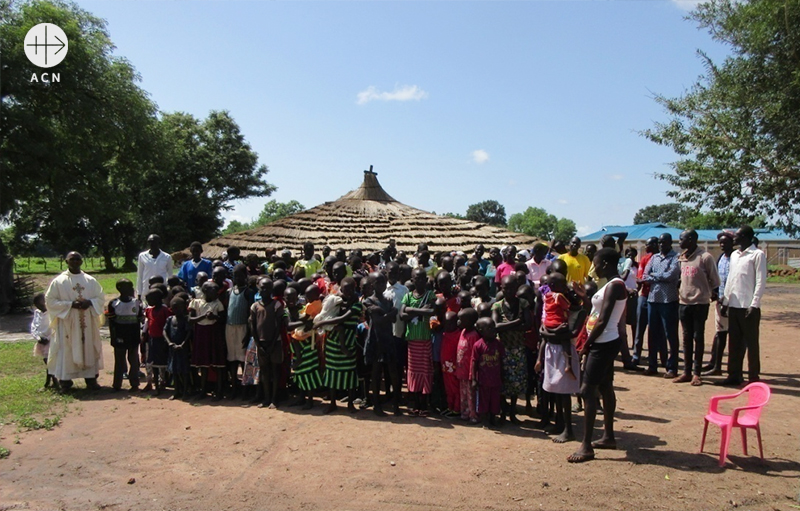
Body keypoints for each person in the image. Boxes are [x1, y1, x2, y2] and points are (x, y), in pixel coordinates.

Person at [568, 248, 627, 463]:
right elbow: (596, 312)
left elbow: (602, 320)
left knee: (587, 390)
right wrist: (584, 296)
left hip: (603, 343)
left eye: (595, 263)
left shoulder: (615, 286)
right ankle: (609, 436)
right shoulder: (609, 286)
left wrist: (587, 345)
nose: (593, 268)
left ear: (604, 264)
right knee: (605, 387)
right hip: (604, 342)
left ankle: (586, 446)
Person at [45, 252, 104, 391]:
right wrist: (70, 305)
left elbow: (100, 298)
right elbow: (50, 301)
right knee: (67, 348)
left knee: (88, 346)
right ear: (66, 261)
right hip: (67, 323)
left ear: (82, 261)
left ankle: (91, 379)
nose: (75, 261)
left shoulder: (90, 280)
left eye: (78, 259)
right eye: (72, 259)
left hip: (87, 321)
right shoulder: (59, 281)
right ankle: (65, 381)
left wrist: (89, 302)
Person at [719, 225, 767, 386]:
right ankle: (734, 374)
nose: (734, 238)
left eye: (737, 236)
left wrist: (754, 304)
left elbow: (760, 281)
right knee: (734, 342)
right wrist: (725, 302)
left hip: (748, 306)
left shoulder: (757, 255)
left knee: (751, 343)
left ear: (745, 237)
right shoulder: (734, 255)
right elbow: (731, 279)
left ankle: (753, 377)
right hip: (734, 304)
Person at [675, 229, 720, 386]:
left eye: (683, 239)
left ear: (692, 239)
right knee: (686, 338)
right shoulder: (682, 258)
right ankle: (686, 372)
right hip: (684, 303)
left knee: (697, 337)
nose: (680, 242)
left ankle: (696, 373)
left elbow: (715, 280)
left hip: (699, 303)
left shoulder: (705, 257)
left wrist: (708, 293)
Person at [315, 277, 362, 414]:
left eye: (351, 289)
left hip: (348, 342)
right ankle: (333, 403)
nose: (348, 292)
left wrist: (321, 323)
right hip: (333, 343)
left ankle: (350, 404)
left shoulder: (357, 305)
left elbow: (342, 319)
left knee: (350, 374)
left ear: (355, 288)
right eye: (345, 289)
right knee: (332, 373)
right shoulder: (338, 301)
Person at [492, 274, 531, 424]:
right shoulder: (497, 305)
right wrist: (517, 322)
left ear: (516, 288)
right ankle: (503, 412)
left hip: (517, 349)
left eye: (511, 288)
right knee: (501, 381)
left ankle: (513, 412)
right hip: (502, 349)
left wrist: (506, 325)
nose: (508, 291)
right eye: (505, 288)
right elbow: (496, 326)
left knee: (516, 383)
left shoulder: (523, 303)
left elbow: (528, 325)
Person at [362, 272, 402, 416]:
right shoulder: (368, 301)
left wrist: (386, 314)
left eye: (383, 282)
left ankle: (396, 404)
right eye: (378, 283)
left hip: (387, 338)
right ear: (372, 285)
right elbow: (379, 320)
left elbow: (389, 320)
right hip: (376, 339)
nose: (382, 285)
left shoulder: (387, 300)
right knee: (376, 373)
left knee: (393, 372)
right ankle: (377, 405)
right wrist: (390, 314)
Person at [642, 233, 680, 378]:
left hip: (668, 301)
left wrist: (654, 276)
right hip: (653, 300)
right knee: (652, 334)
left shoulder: (675, 258)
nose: (661, 245)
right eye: (660, 242)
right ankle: (652, 366)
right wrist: (658, 276)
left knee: (671, 335)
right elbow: (645, 276)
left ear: (670, 243)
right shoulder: (654, 257)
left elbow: (671, 275)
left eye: (664, 242)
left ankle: (672, 367)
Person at [400, 268, 437, 416]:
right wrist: (420, 310)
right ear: (412, 280)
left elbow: (432, 312)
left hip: (425, 339)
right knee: (413, 372)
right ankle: (414, 402)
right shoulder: (408, 296)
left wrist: (412, 311)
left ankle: (423, 403)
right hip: (412, 341)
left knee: (425, 371)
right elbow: (402, 315)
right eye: (417, 278)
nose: (420, 281)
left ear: (426, 280)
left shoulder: (430, 295)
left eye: (422, 278)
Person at [250, 277, 287, 408]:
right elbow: (253, 326)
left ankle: (274, 399)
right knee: (264, 372)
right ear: (258, 289)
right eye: (262, 288)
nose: (264, 290)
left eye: (267, 288)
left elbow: (278, 326)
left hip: (274, 343)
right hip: (261, 343)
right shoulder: (255, 306)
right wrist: (258, 345)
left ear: (271, 290)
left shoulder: (277, 305)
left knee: (275, 370)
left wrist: (272, 344)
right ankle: (266, 398)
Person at [704, 231, 735, 375]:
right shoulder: (721, 258)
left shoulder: (736, 258)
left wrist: (726, 300)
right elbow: (716, 278)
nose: (722, 245)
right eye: (720, 243)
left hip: (733, 302)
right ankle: (714, 363)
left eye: (725, 242)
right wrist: (715, 292)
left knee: (729, 334)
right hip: (720, 301)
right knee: (719, 332)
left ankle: (723, 367)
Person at [189, 281, 226, 400]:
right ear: (205, 292)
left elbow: (223, 319)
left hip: (214, 333)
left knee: (217, 363)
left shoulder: (218, 303)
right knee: (203, 364)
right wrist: (203, 317)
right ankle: (203, 390)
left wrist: (214, 317)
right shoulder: (196, 302)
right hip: (201, 333)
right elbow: (190, 319)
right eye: (213, 291)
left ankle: (219, 391)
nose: (216, 294)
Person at [288, 284, 323, 410]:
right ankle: (302, 398)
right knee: (301, 373)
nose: (290, 300)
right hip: (302, 340)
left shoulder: (306, 307)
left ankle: (309, 400)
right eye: (287, 297)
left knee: (309, 373)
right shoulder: (287, 311)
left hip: (308, 343)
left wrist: (303, 321)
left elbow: (309, 320)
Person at [105, 279, 142, 392]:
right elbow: (111, 323)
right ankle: (117, 385)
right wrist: (114, 338)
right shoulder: (114, 303)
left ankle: (134, 384)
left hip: (133, 336)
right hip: (119, 336)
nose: (132, 289)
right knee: (119, 360)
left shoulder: (137, 303)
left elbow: (139, 319)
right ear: (120, 289)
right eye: (129, 287)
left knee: (134, 360)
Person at [226, 264, 256, 399]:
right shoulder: (230, 292)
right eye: (235, 275)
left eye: (240, 275)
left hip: (243, 328)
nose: (237, 278)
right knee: (232, 359)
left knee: (243, 360)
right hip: (230, 328)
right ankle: (234, 386)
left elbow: (250, 315)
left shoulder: (249, 293)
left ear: (245, 276)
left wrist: (248, 333)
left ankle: (245, 389)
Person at [540, 273, 577, 380]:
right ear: (553, 285)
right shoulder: (559, 296)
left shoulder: (546, 296)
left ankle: (539, 359)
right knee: (565, 341)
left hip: (547, 323)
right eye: (563, 285)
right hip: (558, 323)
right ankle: (568, 365)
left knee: (545, 340)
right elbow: (567, 306)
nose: (565, 287)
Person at [471, 317, 505, 428]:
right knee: (483, 401)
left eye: (493, 327)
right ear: (481, 330)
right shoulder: (478, 345)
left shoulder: (498, 344)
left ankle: (493, 418)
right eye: (489, 328)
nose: (493, 330)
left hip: (495, 379)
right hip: (483, 380)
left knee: (495, 400)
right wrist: (474, 379)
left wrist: (502, 376)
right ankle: (485, 420)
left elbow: (501, 361)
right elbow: (474, 362)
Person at [632, 237, 659, 366]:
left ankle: (658, 357)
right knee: (639, 327)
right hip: (644, 295)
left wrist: (650, 279)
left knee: (656, 330)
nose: (646, 247)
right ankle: (636, 355)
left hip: (658, 297)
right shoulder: (644, 259)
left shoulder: (661, 258)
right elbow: (641, 278)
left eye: (648, 245)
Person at [383, 262, 409, 396]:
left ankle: (397, 392)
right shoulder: (382, 289)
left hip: (399, 332)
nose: (392, 275)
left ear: (399, 274)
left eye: (395, 273)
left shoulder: (404, 290)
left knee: (398, 365)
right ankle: (388, 392)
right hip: (385, 334)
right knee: (386, 365)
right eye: (389, 272)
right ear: (385, 272)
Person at [143, 288, 171, 395]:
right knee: (153, 362)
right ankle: (156, 385)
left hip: (162, 339)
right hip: (152, 339)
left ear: (158, 299)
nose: (148, 301)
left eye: (150, 299)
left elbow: (167, 325)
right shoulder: (149, 310)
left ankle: (162, 382)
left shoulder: (165, 310)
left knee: (162, 363)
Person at [165, 296, 192, 400]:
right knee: (175, 371)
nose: (176, 310)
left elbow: (189, 332)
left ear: (184, 307)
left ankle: (185, 391)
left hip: (183, 350)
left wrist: (183, 344)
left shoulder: (185, 319)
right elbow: (164, 331)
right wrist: (169, 343)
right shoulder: (170, 319)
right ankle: (176, 391)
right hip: (173, 350)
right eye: (174, 308)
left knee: (185, 371)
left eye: (178, 307)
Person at [456, 307, 480, 423]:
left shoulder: (474, 335)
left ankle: (473, 415)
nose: (459, 322)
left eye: (462, 320)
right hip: (461, 371)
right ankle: (465, 412)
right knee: (464, 394)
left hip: (469, 372)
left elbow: (474, 356)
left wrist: (473, 374)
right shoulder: (463, 332)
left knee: (471, 394)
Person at [136, 234, 173, 301]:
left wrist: (169, 291)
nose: (151, 244)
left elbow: (170, 275)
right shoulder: (142, 256)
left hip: (162, 290)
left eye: (153, 242)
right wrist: (139, 293)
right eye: (149, 242)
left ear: (158, 243)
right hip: (147, 289)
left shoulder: (167, 257)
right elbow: (140, 275)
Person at [30, 293, 56, 389]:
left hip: (50, 341)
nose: (41, 306)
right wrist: (38, 337)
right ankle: (52, 381)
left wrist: (48, 338)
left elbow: (54, 327)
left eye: (42, 304)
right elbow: (34, 326)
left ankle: (51, 382)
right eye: (38, 305)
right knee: (47, 362)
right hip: (41, 341)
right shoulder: (37, 312)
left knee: (50, 363)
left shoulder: (51, 312)